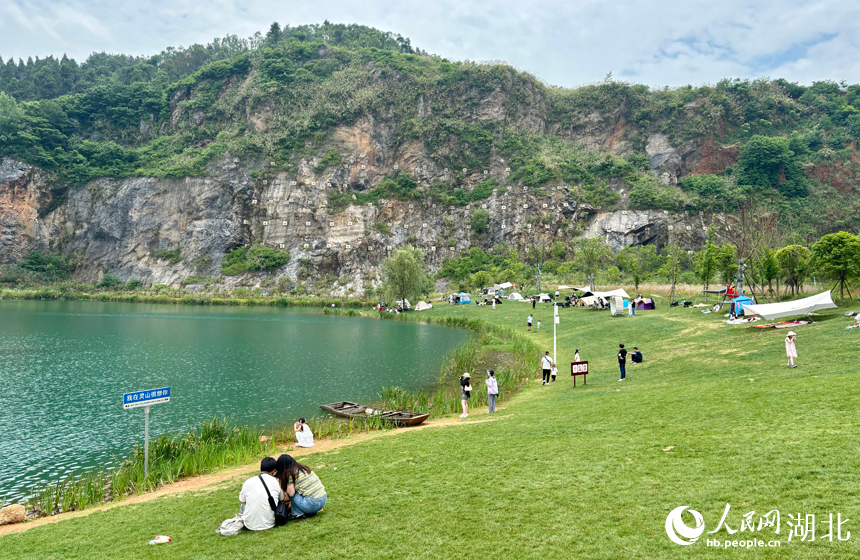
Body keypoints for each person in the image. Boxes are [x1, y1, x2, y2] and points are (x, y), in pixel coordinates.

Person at [239, 457, 285, 531]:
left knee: (244, 503)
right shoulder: (276, 481)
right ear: (273, 471)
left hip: (249, 525)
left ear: (260, 469)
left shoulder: (248, 482)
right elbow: (282, 499)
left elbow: (241, 500)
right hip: (270, 523)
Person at [276, 454, 326, 518]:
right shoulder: (304, 468)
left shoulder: (290, 474)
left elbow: (291, 494)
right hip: (323, 499)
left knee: (290, 491)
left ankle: (297, 514)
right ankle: (307, 511)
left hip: (312, 504)